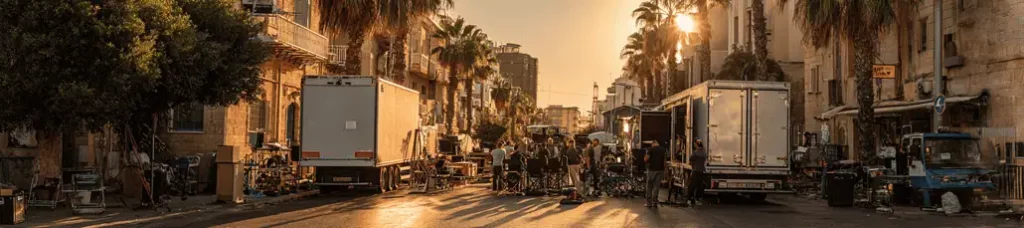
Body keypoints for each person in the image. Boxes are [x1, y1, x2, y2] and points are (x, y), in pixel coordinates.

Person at [645, 140, 668, 207]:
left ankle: (649, 203)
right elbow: (664, 161)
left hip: (652, 170)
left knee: (649, 186)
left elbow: (646, 159)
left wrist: (645, 156)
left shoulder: (651, 149)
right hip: (660, 170)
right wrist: (665, 170)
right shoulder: (663, 150)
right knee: (656, 186)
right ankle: (654, 202)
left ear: (653, 144)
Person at [687, 139, 708, 206]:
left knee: (692, 185)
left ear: (696, 145)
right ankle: (698, 199)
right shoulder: (704, 153)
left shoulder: (695, 152)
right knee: (700, 185)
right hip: (701, 171)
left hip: (696, 170)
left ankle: (689, 198)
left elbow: (691, 159)